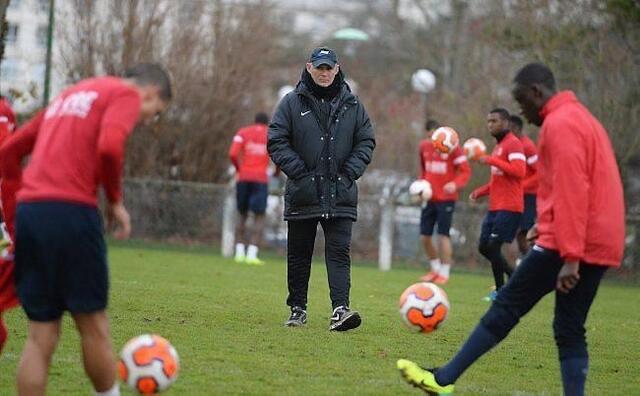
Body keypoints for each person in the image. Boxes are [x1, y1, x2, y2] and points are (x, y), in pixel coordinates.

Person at [397, 62, 625, 396]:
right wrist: (543, 226)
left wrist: (571, 255)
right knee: (569, 327)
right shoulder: (583, 118)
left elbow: (572, 190)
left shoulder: (559, 125)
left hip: (573, 244)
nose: (521, 111)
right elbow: (583, 185)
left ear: (536, 92)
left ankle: (443, 379)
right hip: (600, 238)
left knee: (507, 306)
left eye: (521, 102)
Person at [0, 63, 172, 396]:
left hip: (32, 213)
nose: (145, 119)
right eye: (155, 112)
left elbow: (9, 151)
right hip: (72, 212)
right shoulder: (124, 93)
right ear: (150, 92)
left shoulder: (70, 94)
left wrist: (16, 212)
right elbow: (109, 145)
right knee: (93, 325)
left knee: (40, 334)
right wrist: (115, 200)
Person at [268, 47, 375, 331]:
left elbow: (366, 141)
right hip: (303, 193)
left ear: (337, 69)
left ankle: (340, 310)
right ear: (309, 67)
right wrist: (300, 173)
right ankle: (297, 309)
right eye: (320, 68)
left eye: (329, 68)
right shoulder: (291, 103)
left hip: (340, 194)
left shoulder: (353, 105)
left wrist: (348, 173)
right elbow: (276, 139)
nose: (325, 73)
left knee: (339, 253)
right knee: (299, 254)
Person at [469, 108, 526, 301]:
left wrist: (491, 160)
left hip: (510, 207)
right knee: (484, 247)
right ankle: (512, 280)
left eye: (494, 121)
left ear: (506, 123)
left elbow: (519, 171)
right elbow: (498, 181)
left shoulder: (514, 144)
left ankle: (503, 290)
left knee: (493, 247)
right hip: (495, 207)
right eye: (488, 121)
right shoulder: (498, 146)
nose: (490, 125)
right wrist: (480, 192)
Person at [418, 119, 471, 284]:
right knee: (424, 236)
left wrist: (455, 184)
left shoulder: (453, 148)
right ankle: (435, 269)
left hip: (446, 199)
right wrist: (421, 186)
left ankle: (445, 272)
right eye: (430, 134)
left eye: (435, 133)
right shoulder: (424, 147)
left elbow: (465, 171)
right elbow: (424, 170)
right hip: (429, 197)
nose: (433, 136)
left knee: (443, 235)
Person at [228, 112, 272, 265]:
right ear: (267, 123)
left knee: (242, 213)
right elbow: (279, 155)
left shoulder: (243, 132)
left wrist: (239, 169)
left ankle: (239, 252)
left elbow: (233, 153)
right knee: (259, 216)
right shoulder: (271, 134)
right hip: (260, 179)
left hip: (244, 177)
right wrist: (277, 172)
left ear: (254, 121)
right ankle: (252, 254)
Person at [510, 114, 538, 261]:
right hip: (516, 196)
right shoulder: (511, 145)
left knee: (524, 233)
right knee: (514, 233)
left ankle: (530, 263)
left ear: (516, 128)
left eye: (510, 128)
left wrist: (521, 186)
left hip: (529, 196)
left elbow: (539, 173)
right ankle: (521, 265)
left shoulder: (527, 146)